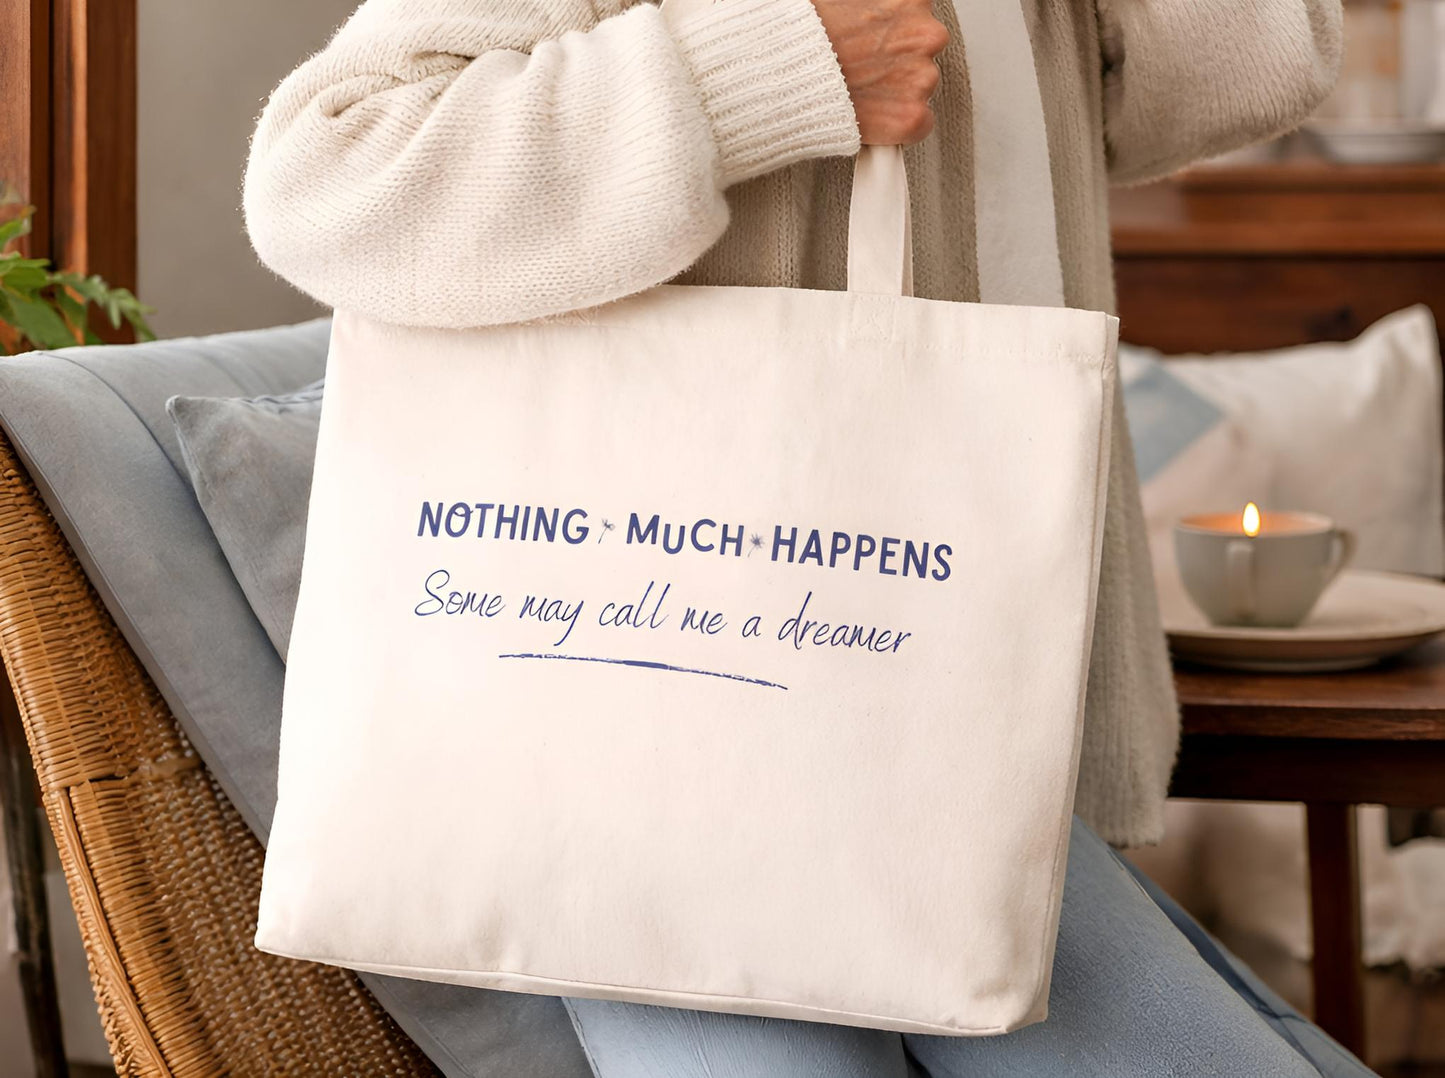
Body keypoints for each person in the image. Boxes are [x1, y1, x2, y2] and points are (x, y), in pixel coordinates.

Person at [244, 1, 1364, 1074]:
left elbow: (1234, 76)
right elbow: (328, 178)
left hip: (988, 722)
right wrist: (761, 71)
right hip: (676, 758)